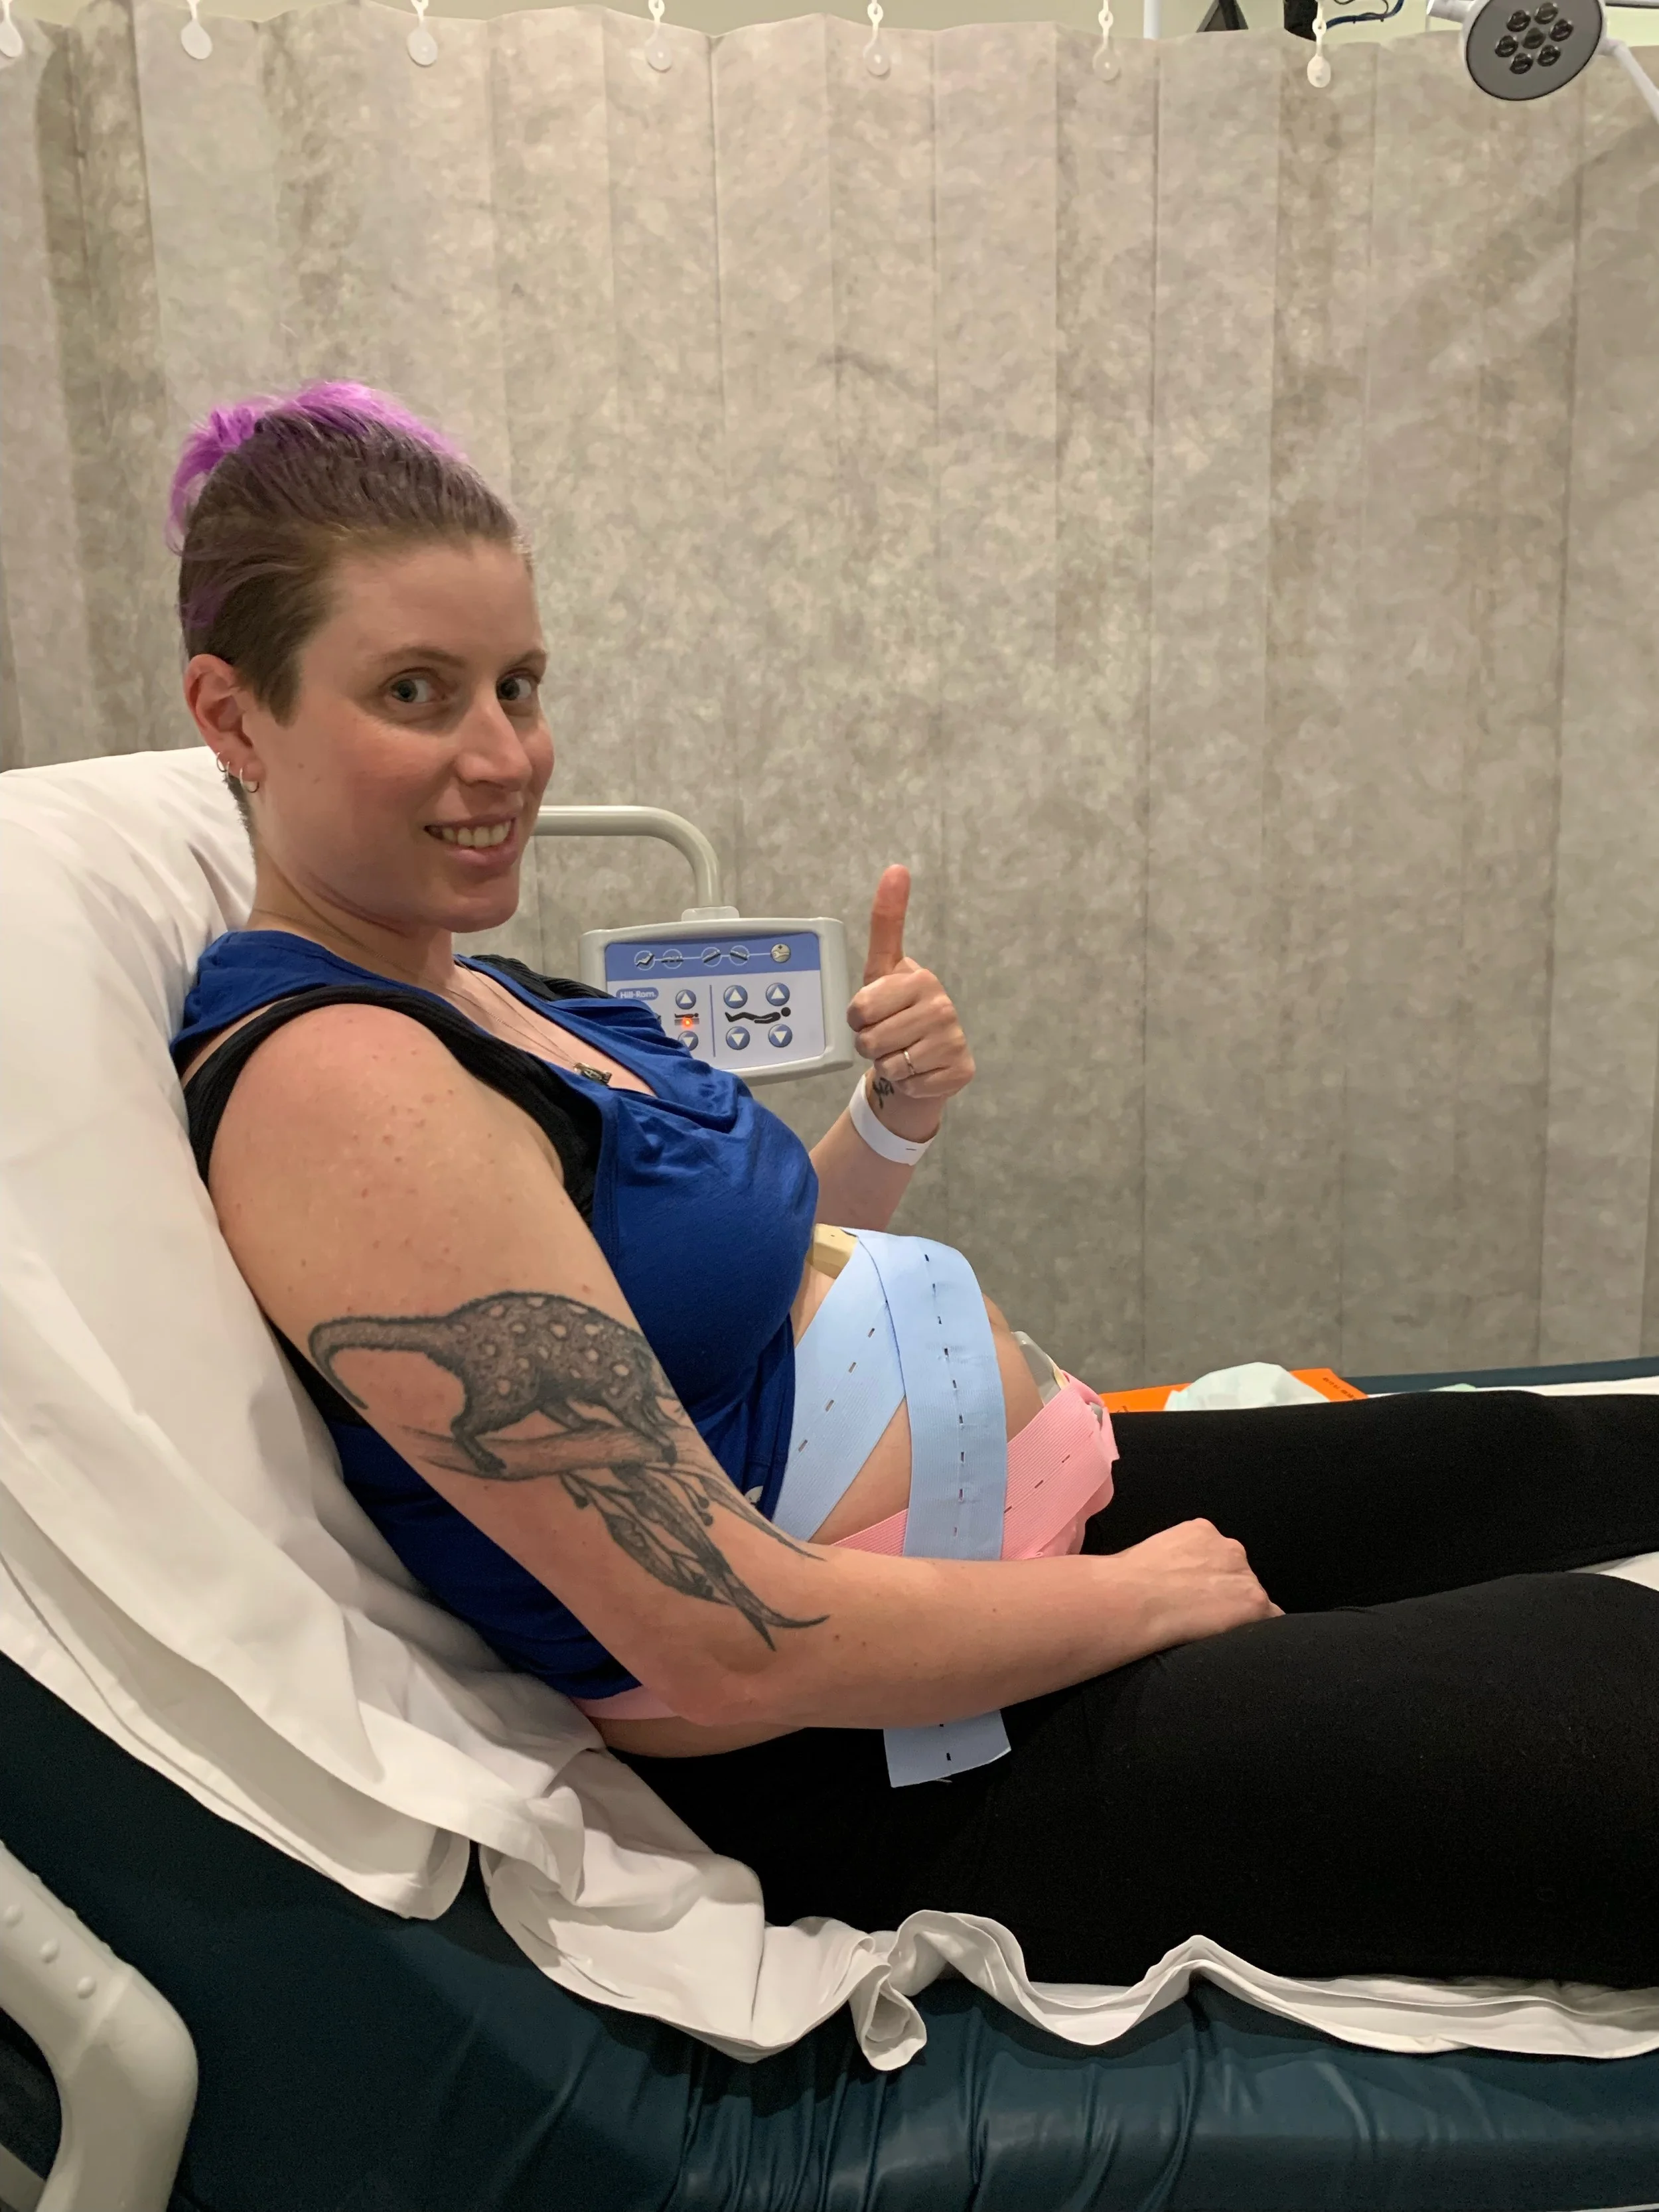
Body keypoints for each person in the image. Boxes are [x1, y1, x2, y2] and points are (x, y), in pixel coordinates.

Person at [171, 384, 1659, 1990]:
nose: (502, 755)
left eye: (517, 685)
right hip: (861, 1746)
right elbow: (723, 1641)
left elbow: (709, 1303)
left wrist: (888, 1125)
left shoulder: (489, 991)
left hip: (974, 1560)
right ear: (233, 715)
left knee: (1514, 1455)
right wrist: (1137, 1604)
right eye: (415, 691)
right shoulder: (344, 1082)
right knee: (1600, 1700)